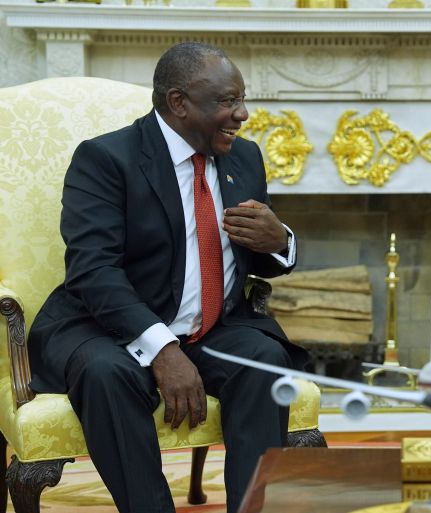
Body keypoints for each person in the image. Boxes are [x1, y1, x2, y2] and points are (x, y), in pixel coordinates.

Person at [27, 42, 308, 513]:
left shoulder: (245, 159)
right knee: (105, 374)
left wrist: (279, 242)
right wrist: (162, 349)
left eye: (241, 99)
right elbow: (93, 271)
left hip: (210, 328)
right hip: (108, 328)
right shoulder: (106, 160)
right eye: (226, 101)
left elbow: (253, 258)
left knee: (264, 359)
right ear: (178, 103)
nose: (242, 114)